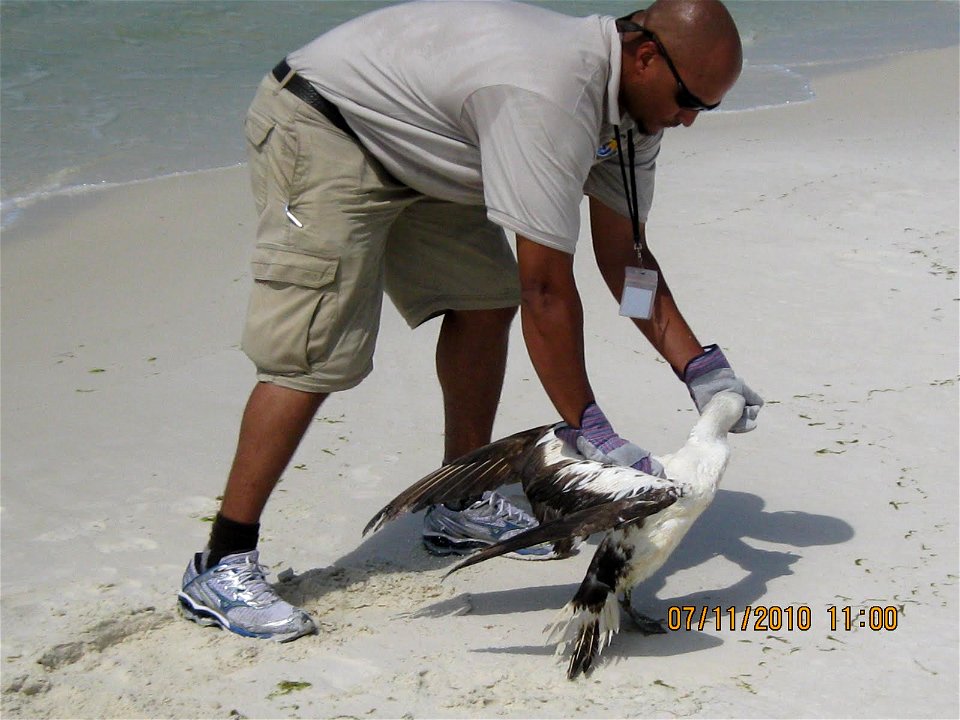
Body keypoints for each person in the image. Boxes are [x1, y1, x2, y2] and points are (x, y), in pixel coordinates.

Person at [177, 0, 763, 642]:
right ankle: (221, 561)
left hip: (430, 146)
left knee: (486, 301)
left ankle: (456, 507)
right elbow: (546, 289)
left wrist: (700, 367)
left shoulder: (635, 113)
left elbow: (624, 261)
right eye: (688, 101)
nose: (687, 121)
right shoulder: (550, 100)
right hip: (327, 124)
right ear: (646, 55)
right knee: (317, 354)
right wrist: (589, 428)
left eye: (704, 109)